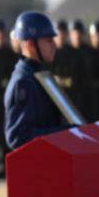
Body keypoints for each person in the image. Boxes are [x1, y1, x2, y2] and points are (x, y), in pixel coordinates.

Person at [5, 11, 74, 150]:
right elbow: (17, 136)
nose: (54, 45)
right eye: (49, 40)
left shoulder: (38, 75)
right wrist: (64, 133)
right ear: (30, 45)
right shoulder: (23, 82)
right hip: (34, 168)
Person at [0, 18, 18, 177]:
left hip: (8, 100)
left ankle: (7, 166)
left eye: (1, 34)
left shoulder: (11, 55)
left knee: (7, 134)